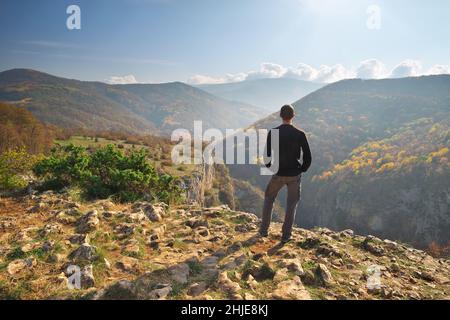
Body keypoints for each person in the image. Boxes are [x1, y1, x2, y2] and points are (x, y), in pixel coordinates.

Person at [259, 104, 312, 243]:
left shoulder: (274, 132)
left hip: (278, 172)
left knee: (269, 198)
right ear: (293, 116)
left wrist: (272, 168)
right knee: (292, 203)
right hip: (294, 174)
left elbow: (266, 156)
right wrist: (302, 169)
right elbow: (308, 156)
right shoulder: (300, 134)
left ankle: (264, 230)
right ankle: (286, 235)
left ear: (280, 116)